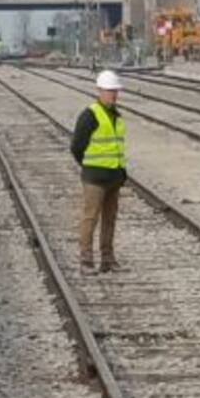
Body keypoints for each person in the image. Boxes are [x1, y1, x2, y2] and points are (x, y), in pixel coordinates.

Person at [71, 70, 127, 273]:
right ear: (99, 91)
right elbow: (77, 146)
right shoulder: (90, 115)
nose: (113, 95)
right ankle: (86, 261)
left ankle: (107, 259)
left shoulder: (117, 117)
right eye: (110, 91)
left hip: (114, 177)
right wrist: (88, 165)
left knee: (109, 220)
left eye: (115, 91)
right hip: (95, 177)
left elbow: (118, 148)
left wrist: (121, 172)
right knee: (90, 217)